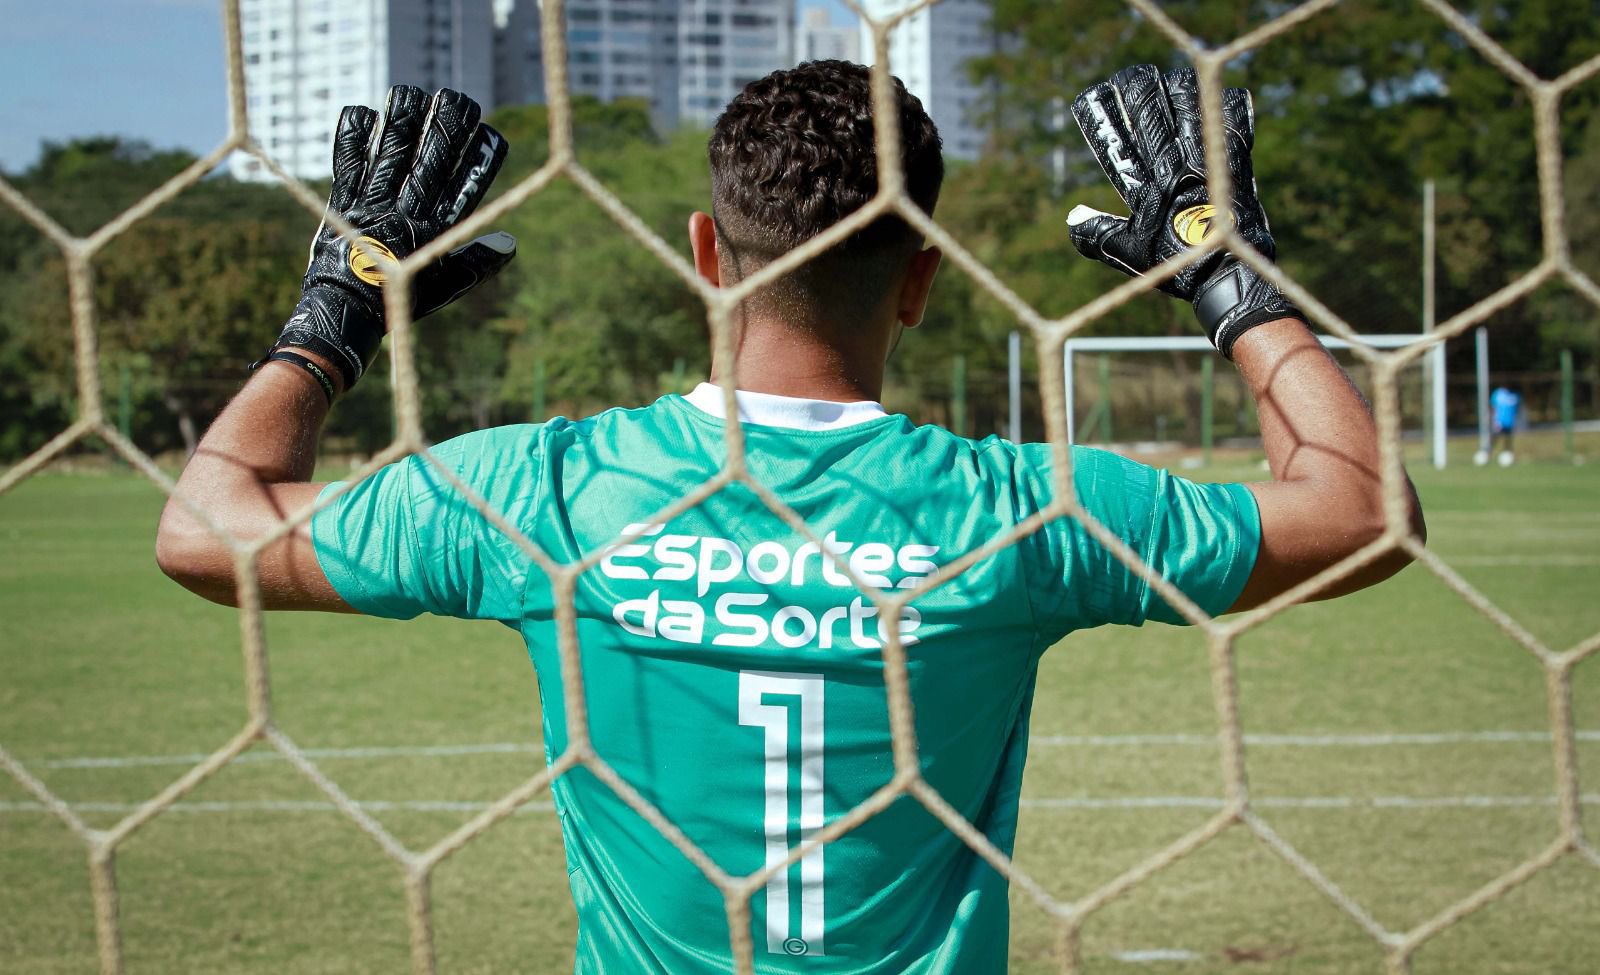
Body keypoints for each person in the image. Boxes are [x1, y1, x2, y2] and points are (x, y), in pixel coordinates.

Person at [156, 62, 1423, 973]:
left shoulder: (538, 493)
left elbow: (206, 526)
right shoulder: (1020, 513)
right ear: (922, 275)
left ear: (708, 251)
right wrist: (1223, 268)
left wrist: (344, 303)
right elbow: (1362, 509)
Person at [1491, 384, 1522, 465]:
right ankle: (1487, 453)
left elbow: (1517, 408)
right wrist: (1494, 420)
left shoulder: (1515, 395)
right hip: (1499, 421)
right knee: (1495, 438)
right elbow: (1493, 407)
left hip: (1510, 421)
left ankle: (1507, 455)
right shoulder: (1498, 393)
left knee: (1508, 440)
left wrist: (1517, 420)